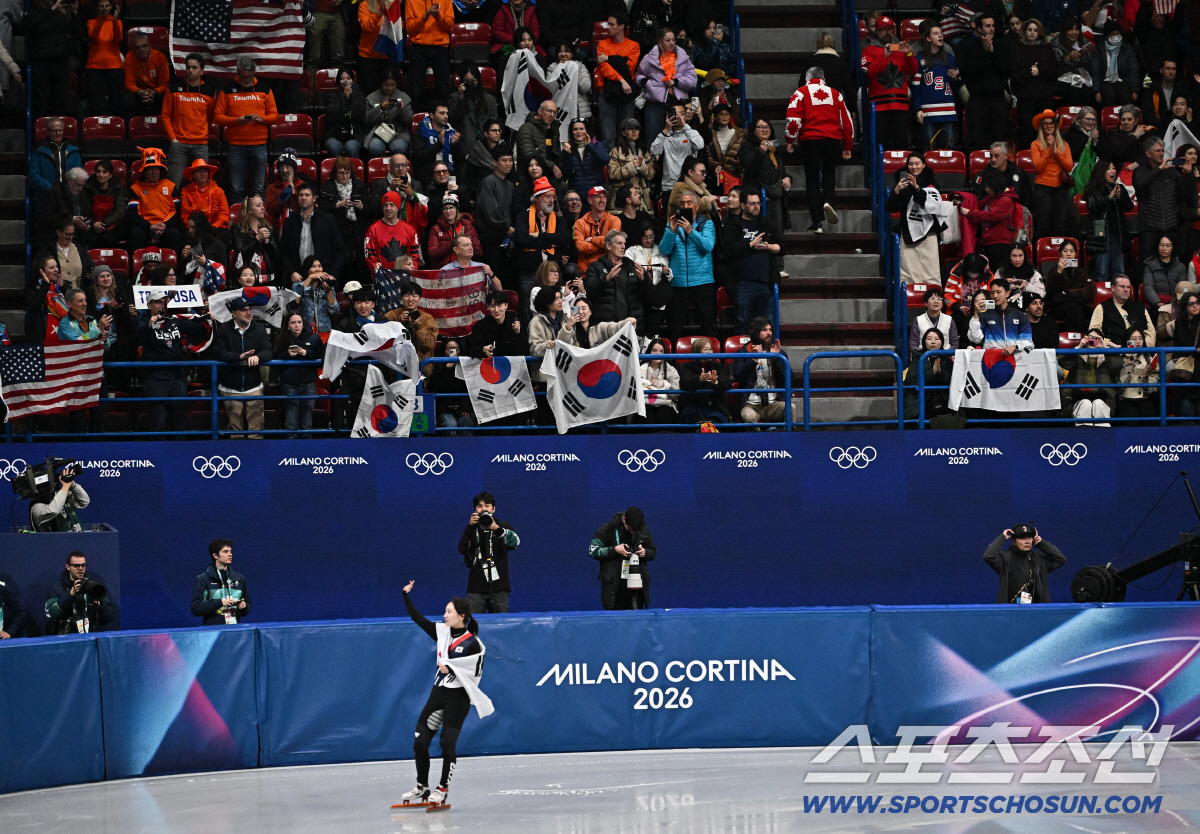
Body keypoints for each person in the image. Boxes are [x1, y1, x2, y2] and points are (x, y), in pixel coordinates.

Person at [397, 580, 491, 810]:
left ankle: (442, 789)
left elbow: (474, 672)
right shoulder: (442, 633)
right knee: (420, 743)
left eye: (449, 612)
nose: (444, 615)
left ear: (461, 615)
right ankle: (422, 786)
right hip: (438, 694)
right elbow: (418, 620)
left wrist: (452, 668)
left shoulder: (474, 644)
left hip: (458, 698)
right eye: (445, 611)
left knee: (447, 743)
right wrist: (405, 596)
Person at [785, 67, 852, 233]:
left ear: (807, 79)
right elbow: (847, 121)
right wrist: (847, 146)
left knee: (812, 179)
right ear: (824, 78)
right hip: (833, 140)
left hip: (811, 140)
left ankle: (817, 222)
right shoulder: (835, 94)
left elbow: (793, 119)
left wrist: (789, 140)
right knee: (829, 173)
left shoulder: (801, 92)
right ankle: (828, 201)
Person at [137, 289, 211, 433]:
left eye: (162, 302)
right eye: (157, 302)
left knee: (180, 421)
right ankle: (158, 453)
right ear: (149, 305)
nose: (161, 305)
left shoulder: (174, 321)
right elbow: (140, 334)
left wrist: (208, 319)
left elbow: (200, 330)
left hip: (176, 376)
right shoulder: (143, 322)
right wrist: (150, 325)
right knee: (158, 422)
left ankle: (179, 451)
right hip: (155, 377)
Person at [214, 56, 278, 205]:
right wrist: (236, 121)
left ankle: (261, 223)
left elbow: (274, 116)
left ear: (254, 72)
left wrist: (262, 119)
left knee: (259, 187)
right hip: (236, 145)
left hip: (259, 145)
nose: (245, 80)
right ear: (237, 72)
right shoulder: (227, 89)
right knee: (236, 188)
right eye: (242, 76)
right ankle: (237, 222)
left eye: (249, 76)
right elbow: (217, 117)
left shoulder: (264, 89)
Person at [212, 296, 274, 438]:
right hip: (230, 388)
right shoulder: (224, 329)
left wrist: (258, 357)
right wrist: (238, 357)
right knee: (236, 433)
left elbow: (269, 351)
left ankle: (256, 459)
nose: (248, 312)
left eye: (249, 309)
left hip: (254, 387)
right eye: (243, 310)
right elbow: (218, 353)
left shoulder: (259, 329)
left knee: (256, 433)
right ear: (233, 313)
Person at [660, 191, 716, 342]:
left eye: (689, 203)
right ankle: (672, 361)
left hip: (702, 280)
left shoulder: (706, 223)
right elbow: (664, 250)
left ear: (696, 207)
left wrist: (690, 231)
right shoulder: (672, 225)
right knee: (675, 325)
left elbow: (708, 246)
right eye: (682, 203)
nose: (685, 206)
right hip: (678, 281)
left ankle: (712, 358)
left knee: (708, 323)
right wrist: (671, 231)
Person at [723, 191, 780, 333]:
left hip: (765, 282)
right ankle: (744, 355)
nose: (756, 206)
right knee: (742, 323)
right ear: (743, 205)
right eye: (752, 203)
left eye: (758, 203)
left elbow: (781, 247)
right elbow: (728, 250)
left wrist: (769, 247)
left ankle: (764, 355)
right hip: (743, 283)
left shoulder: (766, 223)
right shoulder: (733, 224)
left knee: (765, 326)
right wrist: (750, 244)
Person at [886, 153, 944, 286]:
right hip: (907, 235)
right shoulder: (902, 183)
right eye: (910, 164)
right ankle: (908, 303)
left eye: (917, 163)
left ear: (924, 165)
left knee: (931, 274)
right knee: (908, 275)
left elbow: (933, 207)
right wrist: (896, 191)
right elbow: (890, 207)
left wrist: (917, 188)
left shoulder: (931, 183)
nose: (914, 167)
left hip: (929, 234)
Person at [458, 491, 521, 613]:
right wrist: (470, 526)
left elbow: (514, 544)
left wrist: (496, 529)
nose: (483, 509)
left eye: (487, 506)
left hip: (499, 587)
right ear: (475, 509)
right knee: (472, 625)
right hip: (476, 587)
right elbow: (461, 549)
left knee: (500, 627)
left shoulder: (502, 526)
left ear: (493, 509)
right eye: (479, 506)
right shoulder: (472, 528)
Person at [162, 52, 218, 185]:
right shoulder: (174, 89)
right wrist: (173, 139)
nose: (190, 70)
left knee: (202, 183)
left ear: (202, 71)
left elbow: (210, 117)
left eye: (194, 68)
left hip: (201, 144)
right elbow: (165, 115)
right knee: (173, 183)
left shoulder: (209, 92)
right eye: (188, 67)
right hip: (178, 143)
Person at [1134, 137, 1185, 282]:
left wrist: (1186, 174)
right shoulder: (1140, 171)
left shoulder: (1172, 172)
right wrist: (1158, 169)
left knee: (1172, 266)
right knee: (1147, 266)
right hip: (1149, 229)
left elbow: (1185, 193)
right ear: (1148, 153)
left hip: (1170, 227)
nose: (1162, 154)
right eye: (1158, 151)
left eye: (1163, 150)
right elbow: (1140, 185)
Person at [957, 12, 1008, 150]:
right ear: (979, 28)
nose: (991, 29)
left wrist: (991, 52)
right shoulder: (965, 45)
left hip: (997, 97)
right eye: (987, 26)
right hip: (977, 97)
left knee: (999, 137)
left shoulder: (1001, 45)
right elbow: (966, 70)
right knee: (978, 137)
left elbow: (1006, 70)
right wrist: (984, 52)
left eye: (993, 26)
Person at [636, 27, 697, 140]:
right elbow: (638, 75)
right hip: (655, 102)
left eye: (673, 40)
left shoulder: (683, 57)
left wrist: (678, 82)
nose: (672, 43)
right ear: (660, 41)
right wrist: (644, 82)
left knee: (676, 140)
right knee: (653, 138)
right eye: (668, 40)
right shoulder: (649, 58)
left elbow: (693, 79)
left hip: (677, 103)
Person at [733, 318, 796, 426]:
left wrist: (776, 358)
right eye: (764, 330)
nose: (769, 333)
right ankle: (757, 442)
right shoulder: (743, 352)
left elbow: (789, 378)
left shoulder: (778, 352)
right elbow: (738, 377)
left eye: (770, 330)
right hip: (750, 405)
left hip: (773, 404)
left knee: (791, 408)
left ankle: (787, 440)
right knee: (748, 416)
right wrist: (753, 360)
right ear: (756, 333)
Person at [589, 507, 656, 610]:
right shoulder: (608, 528)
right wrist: (614, 550)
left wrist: (644, 553)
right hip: (615, 586)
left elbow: (653, 552)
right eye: (630, 529)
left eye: (636, 530)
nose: (633, 532)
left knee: (636, 621)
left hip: (637, 585)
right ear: (624, 519)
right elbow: (593, 551)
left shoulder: (642, 528)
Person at [281, 182, 346, 286]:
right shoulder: (289, 222)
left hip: (323, 277)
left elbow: (340, 250)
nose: (303, 198)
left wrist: (333, 275)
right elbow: (284, 252)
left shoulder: (328, 220)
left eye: (307, 195)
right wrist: (292, 272)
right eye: (301, 195)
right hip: (298, 277)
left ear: (314, 198)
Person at [983, 524, 1066, 603]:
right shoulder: (1005, 559)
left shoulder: (1038, 559)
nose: (1027, 541)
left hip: (1037, 610)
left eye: (1029, 538)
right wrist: (1002, 537)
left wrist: (1041, 543)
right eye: (1022, 538)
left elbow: (1060, 559)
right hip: (1010, 611)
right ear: (1013, 541)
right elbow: (988, 556)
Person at [515, 177, 570, 298]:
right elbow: (523, 239)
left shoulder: (558, 217)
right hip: (530, 273)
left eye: (553, 197)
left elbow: (563, 238)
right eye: (547, 196)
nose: (551, 200)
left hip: (554, 273)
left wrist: (538, 235)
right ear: (537, 199)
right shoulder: (523, 216)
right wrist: (548, 244)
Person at [738, 118, 791, 241]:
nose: (764, 130)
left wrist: (787, 178)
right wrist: (761, 152)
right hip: (757, 197)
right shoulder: (747, 147)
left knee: (777, 236)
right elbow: (751, 167)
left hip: (775, 198)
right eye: (760, 127)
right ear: (753, 130)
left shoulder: (774, 149)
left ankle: (776, 258)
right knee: (760, 234)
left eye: (767, 127)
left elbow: (781, 171)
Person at [583, 228, 646, 330]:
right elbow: (589, 292)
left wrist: (643, 280)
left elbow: (647, 295)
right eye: (619, 243)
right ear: (609, 246)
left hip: (631, 326)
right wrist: (606, 278)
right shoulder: (595, 267)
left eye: (624, 243)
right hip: (606, 327)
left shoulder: (633, 267)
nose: (623, 247)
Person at [1083, 159, 1134, 284]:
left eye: (1114, 168)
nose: (1113, 171)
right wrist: (1109, 198)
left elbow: (1129, 207)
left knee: (1119, 272)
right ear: (1101, 171)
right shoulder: (1092, 189)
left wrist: (1119, 197)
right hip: (1101, 237)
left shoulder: (1119, 188)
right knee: (1102, 272)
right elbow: (1092, 206)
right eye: (1109, 169)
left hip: (1118, 235)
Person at [912, 23, 961, 150]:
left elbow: (955, 85)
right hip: (928, 111)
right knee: (929, 147)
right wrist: (918, 109)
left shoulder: (949, 58)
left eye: (941, 33)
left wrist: (956, 78)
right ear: (928, 38)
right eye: (935, 33)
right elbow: (915, 87)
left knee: (948, 146)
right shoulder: (919, 59)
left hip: (947, 109)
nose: (940, 36)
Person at [1008, 20, 1058, 148]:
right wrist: (1030, 71)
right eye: (1030, 30)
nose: (1032, 33)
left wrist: (1040, 69)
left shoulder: (1047, 49)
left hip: (1044, 96)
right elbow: (1015, 75)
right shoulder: (1016, 49)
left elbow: (1055, 70)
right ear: (1025, 31)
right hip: (1026, 98)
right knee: (1027, 131)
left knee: (1046, 131)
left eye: (1035, 30)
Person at [595, 12, 641, 149]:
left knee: (626, 138)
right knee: (608, 138)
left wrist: (609, 58)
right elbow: (604, 69)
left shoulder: (633, 45)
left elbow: (628, 66)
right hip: (607, 92)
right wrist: (622, 79)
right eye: (607, 24)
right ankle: (608, 169)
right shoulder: (602, 44)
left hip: (626, 96)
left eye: (611, 24)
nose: (607, 27)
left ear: (621, 26)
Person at [274, 312, 324, 436]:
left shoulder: (314, 338)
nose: (296, 325)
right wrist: (287, 354)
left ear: (303, 323)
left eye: (299, 322)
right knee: (291, 425)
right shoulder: (281, 338)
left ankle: (306, 451)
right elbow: (273, 360)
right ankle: (291, 452)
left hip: (308, 384)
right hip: (289, 385)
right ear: (287, 325)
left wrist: (307, 353)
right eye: (293, 323)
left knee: (306, 425)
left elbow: (322, 361)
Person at [45, 550, 116, 634]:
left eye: (83, 565)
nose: (81, 568)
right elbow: (51, 614)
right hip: (65, 637)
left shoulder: (92, 587)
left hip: (87, 636)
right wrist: (69, 595)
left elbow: (109, 617)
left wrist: (100, 605)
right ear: (68, 567)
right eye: (76, 565)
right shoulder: (58, 588)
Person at [475, 143, 516, 287]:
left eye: (510, 160)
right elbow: (489, 211)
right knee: (494, 276)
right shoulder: (488, 182)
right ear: (495, 162)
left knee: (507, 276)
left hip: (506, 238)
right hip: (491, 238)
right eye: (504, 160)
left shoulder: (510, 185)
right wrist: (506, 227)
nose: (508, 163)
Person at [127, 147, 181, 254]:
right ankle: (136, 267)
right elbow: (133, 213)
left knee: (174, 233)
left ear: (161, 171)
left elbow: (176, 210)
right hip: (145, 226)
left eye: (156, 168)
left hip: (165, 225)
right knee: (135, 233)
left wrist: (165, 224)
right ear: (145, 171)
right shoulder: (135, 188)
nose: (154, 172)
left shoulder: (170, 186)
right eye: (150, 169)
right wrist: (149, 226)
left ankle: (175, 267)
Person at [1029, 109, 1073, 241]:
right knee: (1043, 225)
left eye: (1051, 123)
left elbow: (1069, 167)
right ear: (1041, 127)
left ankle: (1058, 255)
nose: (1049, 126)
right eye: (1045, 124)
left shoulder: (1064, 144)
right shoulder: (1035, 144)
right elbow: (1039, 167)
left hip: (1061, 188)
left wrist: (1056, 152)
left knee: (1059, 225)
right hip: (1043, 188)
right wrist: (1048, 149)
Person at [1062, 328, 1119, 425]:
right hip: (1079, 398)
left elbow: (1118, 365)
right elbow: (1064, 363)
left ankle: (1103, 437)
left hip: (1103, 399)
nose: (1093, 341)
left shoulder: (1106, 358)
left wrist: (1104, 347)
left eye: (1097, 338)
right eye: (1090, 338)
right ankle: (1083, 436)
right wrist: (1078, 348)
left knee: (1098, 404)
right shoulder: (1078, 356)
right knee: (1086, 404)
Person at [406, 0, 455, 110]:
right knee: (416, 88)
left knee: (443, 88)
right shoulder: (411, 1)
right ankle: (415, 119)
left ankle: (444, 118)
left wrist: (438, 17)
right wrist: (425, 16)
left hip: (440, 46)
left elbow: (449, 25)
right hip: (419, 47)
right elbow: (410, 28)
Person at [190, 539, 251, 626]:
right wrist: (220, 602)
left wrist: (243, 606)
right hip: (212, 632)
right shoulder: (203, 579)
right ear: (215, 555)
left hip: (235, 631)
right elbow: (196, 609)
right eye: (225, 552)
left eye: (230, 551)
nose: (230, 554)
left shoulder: (239, 579)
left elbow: (247, 607)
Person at [1090, 273, 1156, 346]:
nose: (1126, 290)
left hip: (1139, 352)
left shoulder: (1140, 308)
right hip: (1112, 352)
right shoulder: (1101, 308)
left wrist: (1142, 347)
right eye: (1122, 287)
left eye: (1128, 287)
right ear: (1113, 288)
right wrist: (1111, 345)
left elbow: (1151, 333)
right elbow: (1093, 334)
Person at [385, 281, 440, 367]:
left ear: (420, 299)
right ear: (401, 298)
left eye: (414, 296)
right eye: (406, 295)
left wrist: (419, 326)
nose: (410, 299)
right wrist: (399, 323)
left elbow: (429, 345)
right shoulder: (392, 315)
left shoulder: (427, 318)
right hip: (395, 365)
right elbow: (383, 342)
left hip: (420, 366)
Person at [969, 278, 1033, 351]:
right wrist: (976, 314)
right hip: (991, 358)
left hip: (1014, 358)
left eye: (999, 292)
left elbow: (1027, 338)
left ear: (1007, 293)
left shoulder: (1019, 315)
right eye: (992, 293)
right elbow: (975, 339)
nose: (995, 296)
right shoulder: (985, 315)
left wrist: (1015, 347)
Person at [678, 336, 730, 423]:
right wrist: (699, 379)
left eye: (710, 349)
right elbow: (684, 383)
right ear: (697, 351)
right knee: (693, 418)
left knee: (716, 420)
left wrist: (716, 381)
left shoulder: (718, 365)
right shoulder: (687, 366)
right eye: (705, 349)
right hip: (693, 404)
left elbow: (727, 382)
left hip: (714, 405)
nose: (709, 352)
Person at [84, 0, 123, 116]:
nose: (104, 8)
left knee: (116, 101)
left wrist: (115, 21)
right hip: (95, 65)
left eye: (107, 6)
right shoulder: (91, 22)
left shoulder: (117, 22)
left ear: (111, 7)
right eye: (101, 6)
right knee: (96, 100)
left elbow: (118, 39)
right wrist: (101, 20)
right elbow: (93, 35)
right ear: (97, 8)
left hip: (114, 65)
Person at [573, 185, 621, 275]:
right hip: (586, 272)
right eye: (598, 197)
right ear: (590, 200)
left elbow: (614, 242)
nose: (602, 200)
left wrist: (592, 240)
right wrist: (604, 246)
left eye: (604, 197)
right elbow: (580, 246)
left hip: (610, 269)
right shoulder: (580, 223)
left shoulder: (614, 220)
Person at [364, 70, 414, 157]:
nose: (390, 88)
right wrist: (381, 108)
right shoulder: (371, 97)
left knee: (399, 148)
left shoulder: (404, 97)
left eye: (392, 85)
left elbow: (409, 120)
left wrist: (402, 108)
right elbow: (367, 120)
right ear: (381, 84)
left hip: (399, 132)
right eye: (386, 85)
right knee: (375, 148)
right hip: (378, 132)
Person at [179, 159, 230, 244]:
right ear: (193, 175)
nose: (202, 173)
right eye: (199, 171)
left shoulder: (218, 191)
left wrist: (214, 227)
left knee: (224, 234)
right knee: (186, 235)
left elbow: (224, 214)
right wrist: (194, 227)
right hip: (195, 228)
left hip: (215, 226)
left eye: (205, 171)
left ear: (208, 174)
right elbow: (184, 215)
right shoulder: (186, 192)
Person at [1089, 20, 1138, 108]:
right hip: (1106, 81)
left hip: (1123, 81)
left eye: (1118, 34)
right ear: (1107, 35)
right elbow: (1095, 72)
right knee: (1108, 96)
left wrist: (1135, 90)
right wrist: (1096, 91)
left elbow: (1133, 70)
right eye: (1113, 34)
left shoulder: (1128, 49)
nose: (1116, 37)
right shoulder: (1098, 50)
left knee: (1126, 97)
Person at [231, 195, 279, 283]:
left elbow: (276, 256)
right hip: (248, 275)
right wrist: (257, 238)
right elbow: (240, 254)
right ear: (249, 209)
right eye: (258, 205)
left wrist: (267, 241)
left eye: (262, 205)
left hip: (268, 274)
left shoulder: (269, 228)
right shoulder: (237, 229)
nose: (263, 208)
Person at [29, 463, 89, 532]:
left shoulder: (60, 495)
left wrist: (72, 484)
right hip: (55, 542)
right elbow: (53, 510)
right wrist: (66, 485)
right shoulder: (35, 508)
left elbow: (84, 502)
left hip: (75, 539)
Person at [122, 29, 169, 118]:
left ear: (149, 45)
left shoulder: (160, 57)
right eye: (138, 47)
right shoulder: (129, 58)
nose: (142, 50)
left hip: (156, 92)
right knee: (127, 99)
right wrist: (140, 92)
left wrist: (155, 91)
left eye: (144, 46)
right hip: (139, 92)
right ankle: (130, 129)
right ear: (133, 48)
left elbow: (165, 83)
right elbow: (129, 83)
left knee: (166, 97)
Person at [1116, 326, 1159, 423]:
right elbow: (1116, 386)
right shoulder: (1118, 358)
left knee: (1150, 417)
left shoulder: (1148, 357)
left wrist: (1145, 379)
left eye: (1140, 338)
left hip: (1144, 397)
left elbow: (1156, 384)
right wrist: (1128, 362)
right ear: (1127, 341)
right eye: (1134, 339)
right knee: (1131, 417)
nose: (1138, 342)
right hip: (1124, 398)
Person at [81, 159, 127, 248]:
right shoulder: (87, 186)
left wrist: (103, 223)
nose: (101, 175)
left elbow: (120, 210)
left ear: (110, 175)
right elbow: (84, 210)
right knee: (88, 238)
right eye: (98, 171)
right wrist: (93, 223)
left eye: (104, 172)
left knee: (108, 238)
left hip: (112, 223)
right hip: (93, 224)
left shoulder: (118, 186)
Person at [322, 68, 366, 159]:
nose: (346, 81)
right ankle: (338, 172)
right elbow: (332, 115)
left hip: (353, 135)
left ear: (353, 81)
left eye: (349, 78)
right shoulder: (331, 96)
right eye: (342, 79)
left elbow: (359, 115)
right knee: (335, 147)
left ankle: (353, 172)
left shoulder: (359, 96)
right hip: (334, 134)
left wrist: (350, 97)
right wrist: (344, 97)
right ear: (338, 81)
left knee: (351, 147)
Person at [608, 119, 656, 201]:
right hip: (623, 196)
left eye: (636, 128)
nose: (634, 131)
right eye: (630, 128)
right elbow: (612, 174)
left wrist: (642, 167)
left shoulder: (644, 151)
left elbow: (651, 175)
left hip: (642, 196)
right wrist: (632, 166)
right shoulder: (616, 151)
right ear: (623, 132)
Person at [561, 120, 609, 196]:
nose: (578, 132)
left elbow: (604, 161)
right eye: (575, 129)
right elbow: (566, 173)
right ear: (571, 132)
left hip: (596, 196)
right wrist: (567, 154)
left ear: (587, 131)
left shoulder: (597, 145)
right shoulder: (568, 149)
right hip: (577, 197)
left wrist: (590, 145)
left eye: (581, 129)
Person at [1144, 234, 1187, 317]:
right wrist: (1158, 303)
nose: (1164, 249)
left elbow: (1182, 288)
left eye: (1168, 246)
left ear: (1173, 247)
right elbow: (1148, 287)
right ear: (1157, 246)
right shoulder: (1149, 265)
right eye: (1162, 245)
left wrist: (1173, 303)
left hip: (1176, 303)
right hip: (1156, 305)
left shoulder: (1180, 266)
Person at [908, 287, 959, 355]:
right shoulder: (918, 320)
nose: (936, 301)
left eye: (939, 299)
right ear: (926, 303)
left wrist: (946, 356)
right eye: (932, 298)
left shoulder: (949, 319)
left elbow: (954, 343)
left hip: (945, 357)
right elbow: (913, 344)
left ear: (942, 303)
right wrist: (921, 355)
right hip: (923, 357)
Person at [1097, 105, 1149, 169]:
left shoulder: (1143, 133)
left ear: (1136, 121)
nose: (1126, 122)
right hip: (1119, 169)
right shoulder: (1113, 134)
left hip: (1139, 168)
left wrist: (1137, 163)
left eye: (1129, 119)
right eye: (1123, 119)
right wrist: (1135, 136)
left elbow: (1150, 154)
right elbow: (1120, 153)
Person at [995, 241, 1044, 308]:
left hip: (1028, 307)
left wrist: (1026, 286)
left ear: (1024, 256)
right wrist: (1005, 284)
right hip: (1007, 306)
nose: (1017, 259)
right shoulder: (1001, 272)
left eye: (1020, 256)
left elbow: (1042, 293)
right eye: (1014, 256)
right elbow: (994, 293)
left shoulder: (1033, 273)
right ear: (1009, 257)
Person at [306, 0, 346, 75]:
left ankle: (338, 80)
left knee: (338, 54)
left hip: (337, 12)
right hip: (317, 11)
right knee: (314, 54)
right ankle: (311, 80)